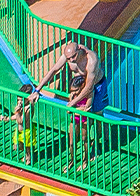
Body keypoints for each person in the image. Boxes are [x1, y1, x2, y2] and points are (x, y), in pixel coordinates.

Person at [39, 41, 101, 171]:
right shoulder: (68, 57)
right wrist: (37, 90)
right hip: (79, 93)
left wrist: (74, 104)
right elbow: (54, 70)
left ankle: (95, 147)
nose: (71, 60)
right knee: (73, 139)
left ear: (79, 50)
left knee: (97, 117)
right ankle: (72, 161)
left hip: (94, 87)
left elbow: (90, 88)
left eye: (73, 56)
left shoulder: (91, 59)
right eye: (69, 58)